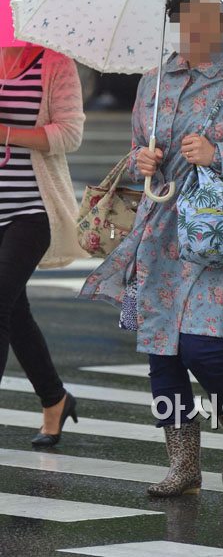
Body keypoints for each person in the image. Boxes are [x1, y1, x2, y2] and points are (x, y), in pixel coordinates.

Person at [80, 0, 223, 497]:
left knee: (201, 345)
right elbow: (138, 146)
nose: (195, 25)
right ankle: (183, 464)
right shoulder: (153, 82)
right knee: (162, 353)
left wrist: (220, 153)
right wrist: (143, 160)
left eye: (208, 15)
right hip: (160, 232)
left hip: (222, 233)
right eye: (186, 14)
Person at [0, 44, 86, 446]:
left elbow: (70, 134)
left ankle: (54, 399)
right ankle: (55, 399)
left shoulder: (54, 63)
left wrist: (7, 133)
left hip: (34, 210)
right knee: (15, 312)